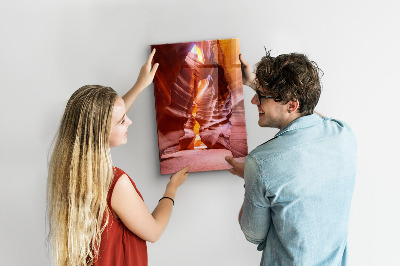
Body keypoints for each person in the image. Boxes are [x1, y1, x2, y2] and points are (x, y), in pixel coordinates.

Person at [46, 49, 190, 266]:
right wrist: (172, 188)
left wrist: (140, 85)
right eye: (123, 121)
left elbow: (104, 120)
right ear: (102, 131)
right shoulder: (115, 183)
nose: (129, 122)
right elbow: (154, 231)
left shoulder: (69, 171)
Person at [225, 51, 357, 265]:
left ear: (292, 105)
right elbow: (311, 114)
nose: (253, 100)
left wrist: (253, 178)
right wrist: (254, 83)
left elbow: (253, 235)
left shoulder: (260, 163)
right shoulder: (343, 134)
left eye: (261, 96)